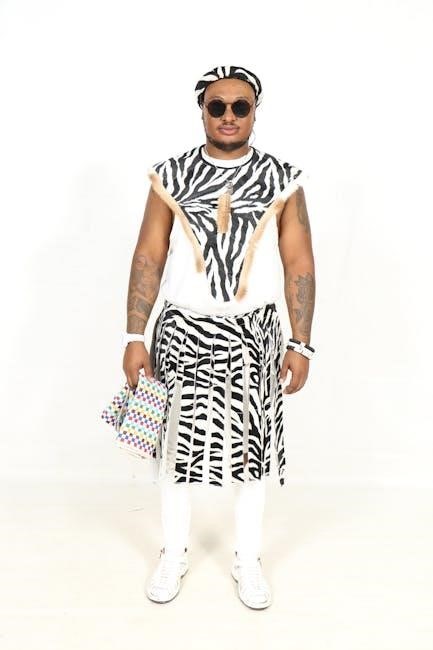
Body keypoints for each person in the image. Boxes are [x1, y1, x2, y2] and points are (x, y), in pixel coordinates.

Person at [122, 65, 316, 609]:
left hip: (255, 333)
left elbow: (299, 262)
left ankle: (247, 559)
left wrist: (300, 342)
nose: (228, 116)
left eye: (240, 107)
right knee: (173, 449)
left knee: (252, 451)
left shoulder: (282, 179)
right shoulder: (170, 175)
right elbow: (148, 254)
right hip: (181, 331)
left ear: (255, 112)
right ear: (202, 111)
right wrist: (134, 334)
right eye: (217, 106)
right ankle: (174, 553)